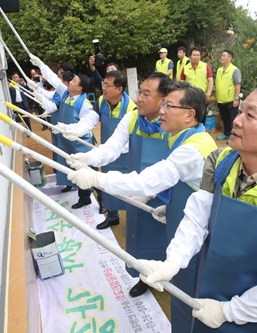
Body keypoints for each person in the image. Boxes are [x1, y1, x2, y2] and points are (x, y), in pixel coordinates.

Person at [140, 79, 257, 332]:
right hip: (213, 286)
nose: (236, 121)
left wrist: (228, 311)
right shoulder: (220, 162)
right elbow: (198, 219)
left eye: (250, 116)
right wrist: (173, 261)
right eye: (240, 111)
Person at [68, 81, 217, 319]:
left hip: (197, 224)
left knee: (191, 279)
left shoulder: (191, 148)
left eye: (168, 105)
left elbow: (146, 181)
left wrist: (97, 178)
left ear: (190, 115)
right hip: (183, 210)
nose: (162, 111)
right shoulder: (183, 135)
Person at [66, 72, 171, 298]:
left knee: (171, 240)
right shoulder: (132, 118)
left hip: (166, 197)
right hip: (136, 192)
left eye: (146, 94)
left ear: (164, 100)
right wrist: (90, 158)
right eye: (139, 92)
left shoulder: (174, 126)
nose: (139, 98)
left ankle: (171, 276)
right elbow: (111, 148)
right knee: (139, 236)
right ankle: (144, 276)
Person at [62, 70, 138, 229]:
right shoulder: (102, 101)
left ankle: (132, 219)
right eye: (103, 83)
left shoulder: (131, 108)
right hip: (107, 150)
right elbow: (89, 121)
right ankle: (112, 216)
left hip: (125, 153)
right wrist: (74, 130)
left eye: (108, 85)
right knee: (107, 183)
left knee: (126, 186)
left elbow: (131, 139)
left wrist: (114, 150)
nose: (103, 88)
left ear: (119, 89)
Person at [30, 54, 99, 209]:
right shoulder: (66, 93)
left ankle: (90, 197)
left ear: (80, 88)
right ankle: (79, 191)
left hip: (80, 143)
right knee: (70, 167)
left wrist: (70, 130)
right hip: (67, 140)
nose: (69, 82)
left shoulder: (85, 104)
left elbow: (85, 126)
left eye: (73, 81)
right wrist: (41, 65)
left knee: (85, 170)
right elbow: (54, 79)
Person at [215, 49, 241, 141]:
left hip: (231, 100)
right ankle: (226, 133)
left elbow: (237, 85)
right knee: (225, 118)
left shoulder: (234, 70)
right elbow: (217, 84)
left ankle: (234, 136)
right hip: (221, 100)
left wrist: (236, 99)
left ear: (230, 58)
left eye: (224, 56)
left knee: (233, 119)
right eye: (221, 56)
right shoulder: (219, 70)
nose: (221, 57)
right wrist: (215, 97)